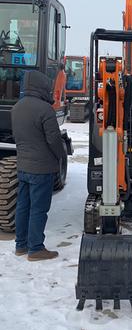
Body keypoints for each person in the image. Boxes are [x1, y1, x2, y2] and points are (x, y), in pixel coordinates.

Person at [11, 70, 66, 261]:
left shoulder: (17, 107)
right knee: (39, 209)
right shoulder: (45, 110)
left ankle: (21, 245)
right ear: (41, 86)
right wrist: (60, 156)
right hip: (42, 168)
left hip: (23, 166)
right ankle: (35, 249)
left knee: (22, 206)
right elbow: (54, 140)